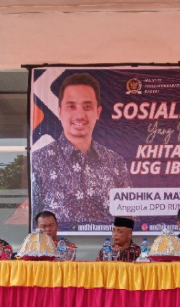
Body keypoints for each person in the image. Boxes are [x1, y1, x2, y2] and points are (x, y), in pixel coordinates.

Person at [31, 73, 132, 224]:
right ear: (60, 111)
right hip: (57, 240)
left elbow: (129, 217)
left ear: (98, 112)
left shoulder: (115, 162)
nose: (79, 115)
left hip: (107, 240)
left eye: (87, 107)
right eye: (71, 106)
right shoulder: (39, 160)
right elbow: (33, 220)